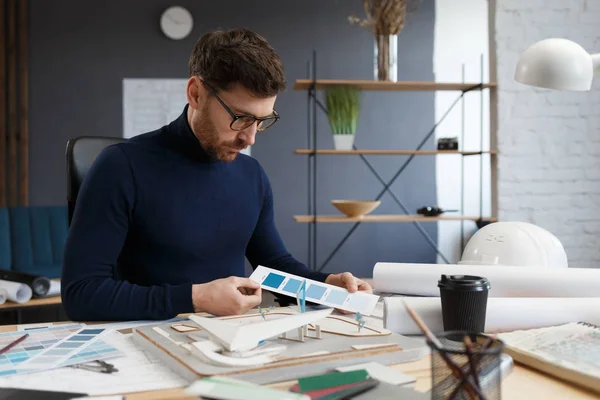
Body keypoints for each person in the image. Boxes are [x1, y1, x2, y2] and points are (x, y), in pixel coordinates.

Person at [61, 28, 372, 322]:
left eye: (262, 121)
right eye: (240, 118)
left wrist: (328, 286)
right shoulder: (120, 167)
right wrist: (195, 298)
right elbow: (81, 294)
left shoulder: (252, 175)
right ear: (196, 93)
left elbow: (275, 268)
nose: (250, 138)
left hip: (234, 344)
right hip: (146, 344)